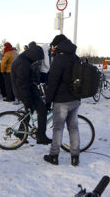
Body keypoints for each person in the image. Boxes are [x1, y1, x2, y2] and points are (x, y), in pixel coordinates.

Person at [44, 34, 81, 166]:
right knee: (74, 128)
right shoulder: (76, 57)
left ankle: (54, 156)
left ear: (58, 45)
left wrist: (48, 100)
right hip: (75, 99)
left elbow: (53, 82)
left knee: (58, 128)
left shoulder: (60, 59)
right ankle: (75, 157)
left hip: (61, 100)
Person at [11, 42, 52, 144]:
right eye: (37, 58)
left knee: (29, 110)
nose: (37, 60)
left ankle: (21, 132)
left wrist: (36, 83)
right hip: (23, 91)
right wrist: (27, 100)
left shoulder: (24, 60)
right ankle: (41, 136)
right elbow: (22, 84)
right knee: (42, 110)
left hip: (27, 89)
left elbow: (29, 77)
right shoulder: (23, 63)